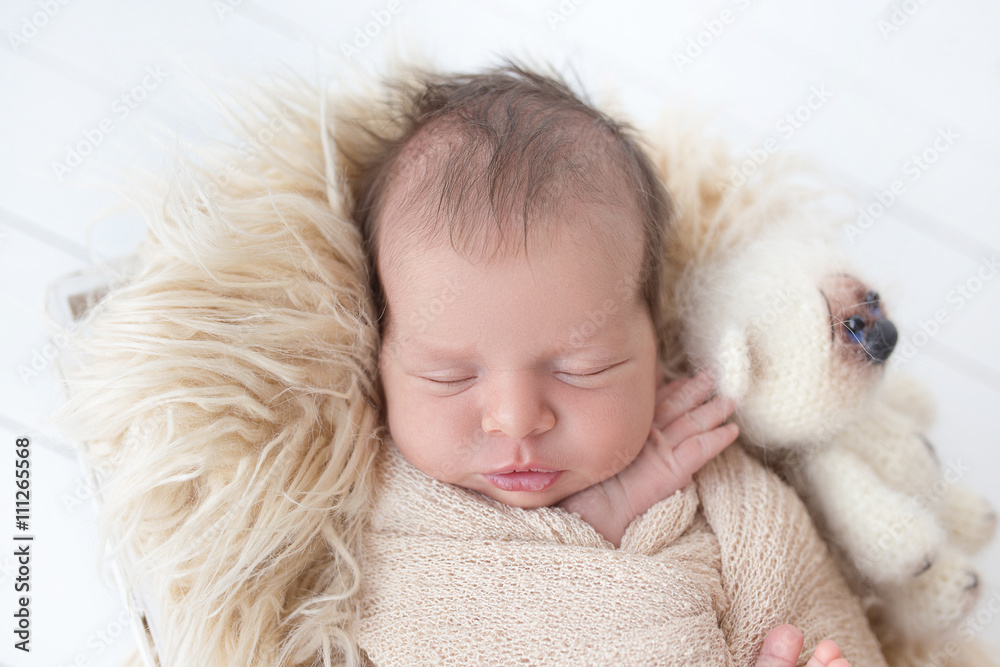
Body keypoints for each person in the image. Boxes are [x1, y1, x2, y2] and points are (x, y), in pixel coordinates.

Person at [337, 60, 869, 666]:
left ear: (655, 339)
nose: (515, 420)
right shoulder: (372, 511)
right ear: (378, 357)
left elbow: (813, 615)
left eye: (581, 369)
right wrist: (599, 517)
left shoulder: (730, 501)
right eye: (449, 376)